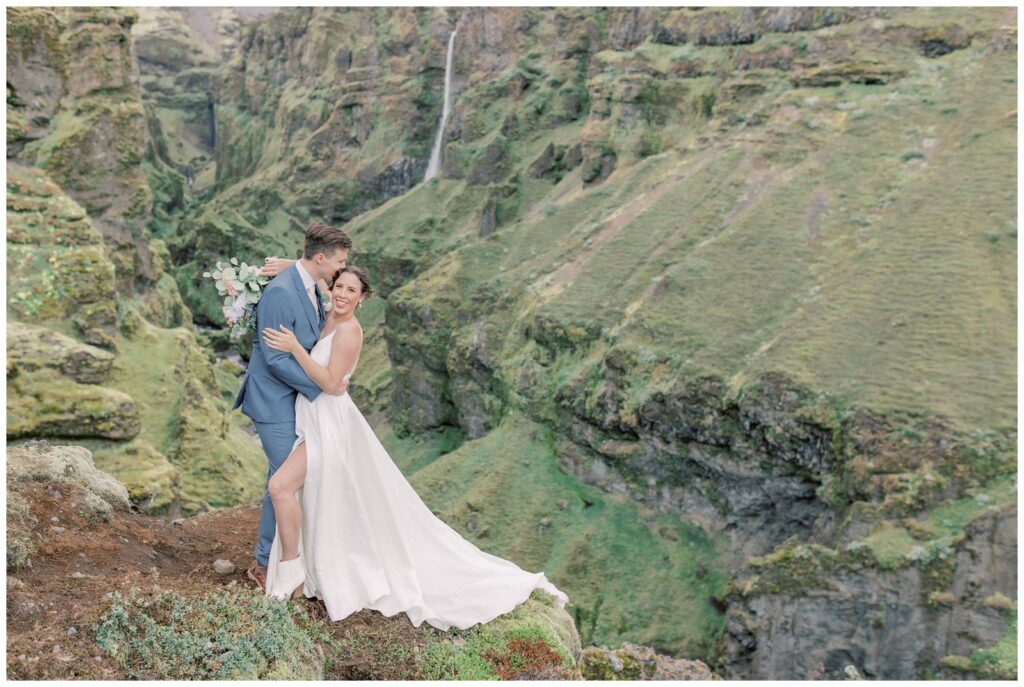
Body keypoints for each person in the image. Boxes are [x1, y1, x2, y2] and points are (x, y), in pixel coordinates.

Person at [260, 265, 569, 630]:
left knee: (281, 487)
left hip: (331, 424)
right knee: (309, 494)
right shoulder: (324, 315)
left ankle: (290, 574)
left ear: (363, 298)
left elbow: (329, 382)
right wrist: (290, 267)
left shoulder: (349, 331)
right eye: (338, 286)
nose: (342, 294)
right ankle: (300, 570)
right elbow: (308, 281)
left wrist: (294, 348)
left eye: (351, 290)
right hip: (315, 420)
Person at [233, 221, 352, 591]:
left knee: (281, 479)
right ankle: (266, 563)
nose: (341, 270)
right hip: (274, 400)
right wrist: (324, 387)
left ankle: (285, 557)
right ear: (320, 258)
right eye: (338, 262)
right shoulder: (283, 293)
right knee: (283, 480)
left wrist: (295, 266)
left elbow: (335, 287)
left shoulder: (310, 283)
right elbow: (273, 359)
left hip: (295, 401)